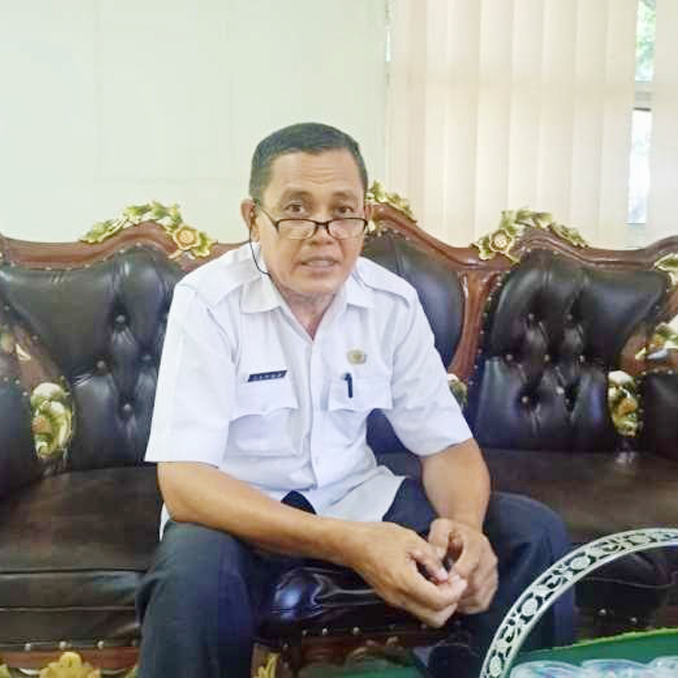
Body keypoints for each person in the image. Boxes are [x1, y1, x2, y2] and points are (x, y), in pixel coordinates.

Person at [136, 122, 574, 677]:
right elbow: (185, 483)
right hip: (237, 513)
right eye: (297, 210)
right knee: (190, 582)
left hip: (355, 495)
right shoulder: (208, 302)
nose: (323, 234)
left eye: (343, 211)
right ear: (253, 219)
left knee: (531, 534)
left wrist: (465, 525)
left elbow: (446, 447)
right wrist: (351, 543)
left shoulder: (391, 303)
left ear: (365, 217)